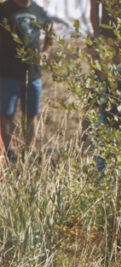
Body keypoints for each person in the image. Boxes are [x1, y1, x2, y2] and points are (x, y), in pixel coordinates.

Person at [0, 0, 53, 160]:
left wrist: (46, 52)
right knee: (7, 113)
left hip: (33, 73)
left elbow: (51, 29)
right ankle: (9, 150)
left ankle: (28, 151)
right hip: (8, 73)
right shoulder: (4, 9)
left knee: (31, 113)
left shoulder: (38, 10)